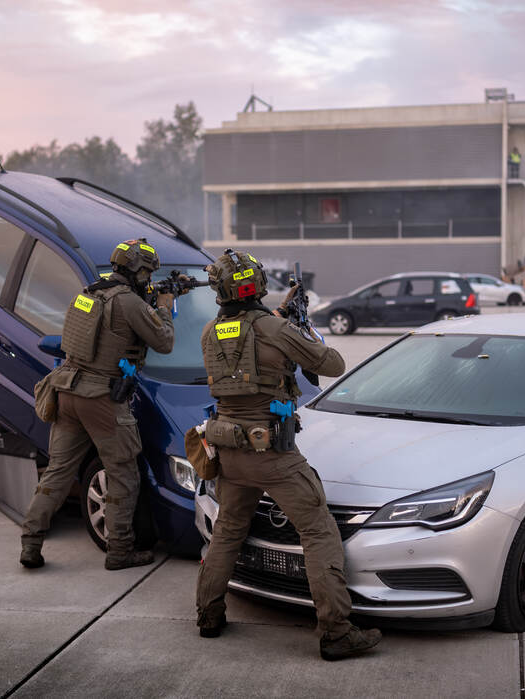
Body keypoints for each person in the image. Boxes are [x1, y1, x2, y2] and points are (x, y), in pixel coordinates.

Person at [194, 250, 380, 661]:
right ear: (256, 285)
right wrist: (300, 325)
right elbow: (332, 363)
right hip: (272, 454)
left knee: (227, 531)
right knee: (318, 530)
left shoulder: (211, 332)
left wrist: (280, 317)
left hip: (229, 451)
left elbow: (249, 340)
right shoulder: (275, 329)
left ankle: (208, 614)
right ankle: (336, 631)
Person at [20, 238, 175, 570]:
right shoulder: (130, 303)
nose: (148, 279)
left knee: (58, 474)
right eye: (147, 273)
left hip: (67, 390)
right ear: (138, 269)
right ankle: (120, 550)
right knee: (124, 474)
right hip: (101, 398)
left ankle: (31, 542)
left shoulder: (88, 294)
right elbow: (163, 341)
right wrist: (163, 306)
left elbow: (104, 334)